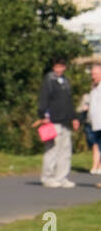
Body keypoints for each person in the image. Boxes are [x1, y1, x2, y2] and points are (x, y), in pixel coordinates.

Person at [38, 60, 79, 188]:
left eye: (61, 66)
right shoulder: (49, 80)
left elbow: (69, 101)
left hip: (65, 119)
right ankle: (47, 177)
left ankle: (61, 177)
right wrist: (42, 115)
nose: (58, 69)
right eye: (56, 66)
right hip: (53, 120)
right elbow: (43, 99)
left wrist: (74, 117)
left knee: (65, 150)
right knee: (52, 149)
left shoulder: (66, 81)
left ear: (64, 67)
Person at [82, 63, 101, 175]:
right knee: (95, 144)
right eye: (92, 74)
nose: (93, 76)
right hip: (94, 122)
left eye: (95, 74)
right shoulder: (94, 87)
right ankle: (96, 165)